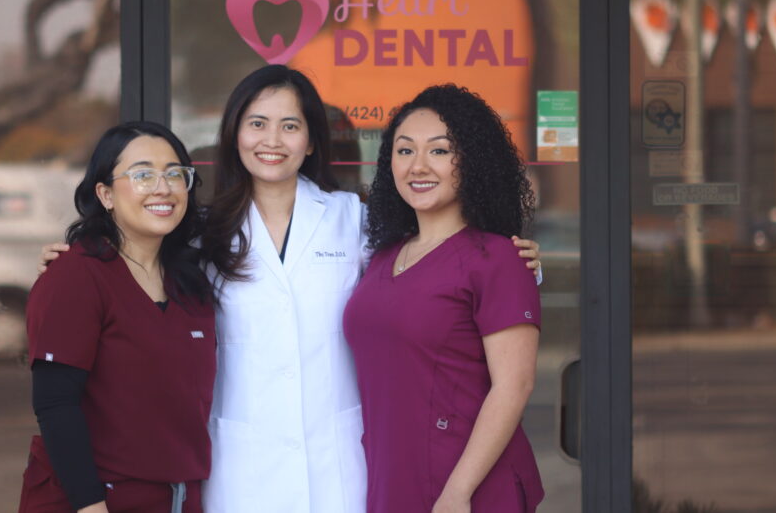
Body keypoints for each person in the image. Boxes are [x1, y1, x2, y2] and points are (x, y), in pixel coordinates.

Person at [40, 66, 542, 513]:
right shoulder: (199, 231)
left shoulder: (356, 221)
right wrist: (74, 258)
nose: (272, 139)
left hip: (340, 459)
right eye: (256, 123)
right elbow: (135, 260)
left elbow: (433, 269)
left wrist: (524, 266)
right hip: (240, 462)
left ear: (311, 141)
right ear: (234, 134)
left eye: (290, 125)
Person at [343, 84, 545, 513]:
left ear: (471, 161)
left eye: (439, 151)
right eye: (404, 150)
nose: (418, 166)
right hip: (391, 474)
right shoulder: (383, 256)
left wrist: (458, 493)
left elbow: (515, 384)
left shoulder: (498, 258)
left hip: (466, 486)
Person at [20, 121, 216, 513]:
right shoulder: (77, 275)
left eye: (175, 174)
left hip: (177, 497)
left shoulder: (191, 280)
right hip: (94, 501)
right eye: (142, 175)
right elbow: (56, 404)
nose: (163, 187)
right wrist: (90, 506)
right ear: (105, 194)